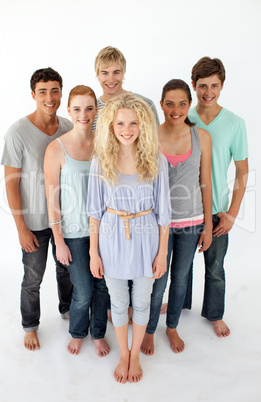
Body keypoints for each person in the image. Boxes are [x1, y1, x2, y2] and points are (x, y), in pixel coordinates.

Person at [87, 93, 171, 383]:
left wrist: (162, 254)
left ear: (142, 125)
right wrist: (93, 253)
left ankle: (135, 355)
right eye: (120, 123)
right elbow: (94, 213)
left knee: (143, 301)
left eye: (133, 123)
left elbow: (164, 213)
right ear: (110, 125)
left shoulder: (155, 160)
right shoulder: (101, 161)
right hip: (111, 240)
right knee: (119, 303)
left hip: (147, 241)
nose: (127, 129)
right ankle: (124, 353)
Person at [1, 67, 73, 351]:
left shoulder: (69, 127)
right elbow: (11, 183)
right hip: (34, 223)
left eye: (55, 90)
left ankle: (68, 310)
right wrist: (20, 228)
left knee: (66, 270)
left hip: (65, 219)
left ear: (61, 93)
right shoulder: (18, 132)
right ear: (33, 95)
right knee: (33, 278)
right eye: (43, 91)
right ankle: (30, 326)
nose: (49, 97)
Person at [141, 79, 212, 355]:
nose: (176, 109)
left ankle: (171, 327)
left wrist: (207, 225)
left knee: (180, 277)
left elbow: (205, 182)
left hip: (192, 222)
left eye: (182, 103)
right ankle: (148, 330)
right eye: (169, 103)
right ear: (161, 105)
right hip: (159, 223)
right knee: (158, 277)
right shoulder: (150, 136)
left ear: (190, 105)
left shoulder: (201, 137)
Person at [44, 85, 110, 357]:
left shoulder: (106, 143)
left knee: (102, 286)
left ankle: (99, 333)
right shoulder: (56, 148)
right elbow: (52, 199)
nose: (84, 114)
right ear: (68, 110)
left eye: (89, 108)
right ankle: (78, 332)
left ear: (96, 110)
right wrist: (58, 241)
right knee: (82, 290)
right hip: (73, 233)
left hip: (105, 231)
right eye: (78, 109)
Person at [187, 57, 248, 337]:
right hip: (185, 208)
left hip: (218, 210)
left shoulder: (235, 123)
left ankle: (214, 313)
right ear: (193, 85)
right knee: (181, 265)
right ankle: (179, 305)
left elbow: (242, 171)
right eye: (202, 86)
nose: (208, 92)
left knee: (215, 268)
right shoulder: (184, 118)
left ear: (222, 86)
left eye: (214, 85)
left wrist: (232, 213)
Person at [93, 46, 160, 130]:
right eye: (105, 73)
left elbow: (154, 141)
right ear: (98, 74)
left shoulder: (146, 105)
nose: (111, 79)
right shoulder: (91, 111)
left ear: (123, 72)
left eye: (116, 72)